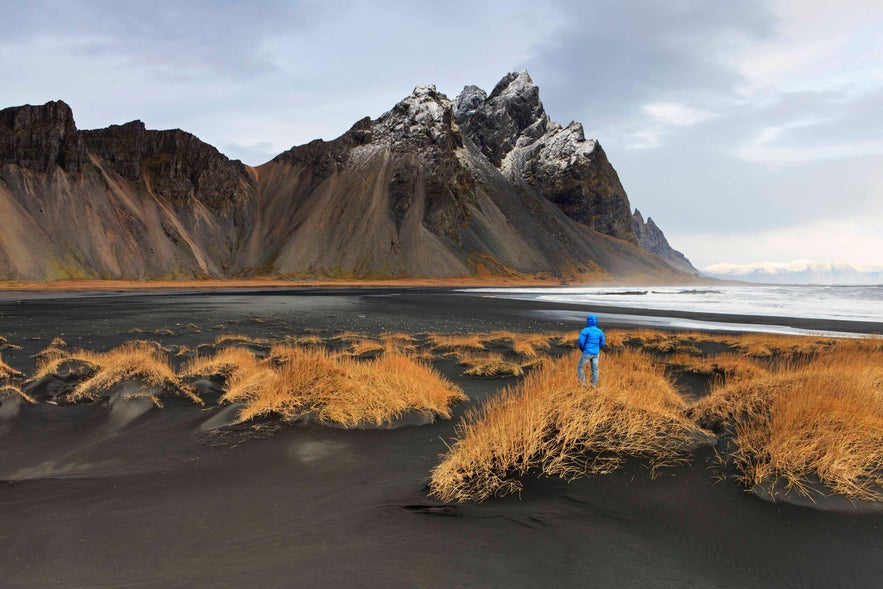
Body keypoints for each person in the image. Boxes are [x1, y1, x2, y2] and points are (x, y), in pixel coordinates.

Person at [577, 313, 605, 387]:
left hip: (587, 352)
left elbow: (580, 342)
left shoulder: (585, 330)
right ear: (596, 321)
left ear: (588, 321)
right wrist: (597, 348)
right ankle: (594, 385)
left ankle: (582, 384)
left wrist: (583, 349)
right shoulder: (600, 331)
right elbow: (602, 342)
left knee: (580, 367)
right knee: (595, 369)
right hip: (596, 353)